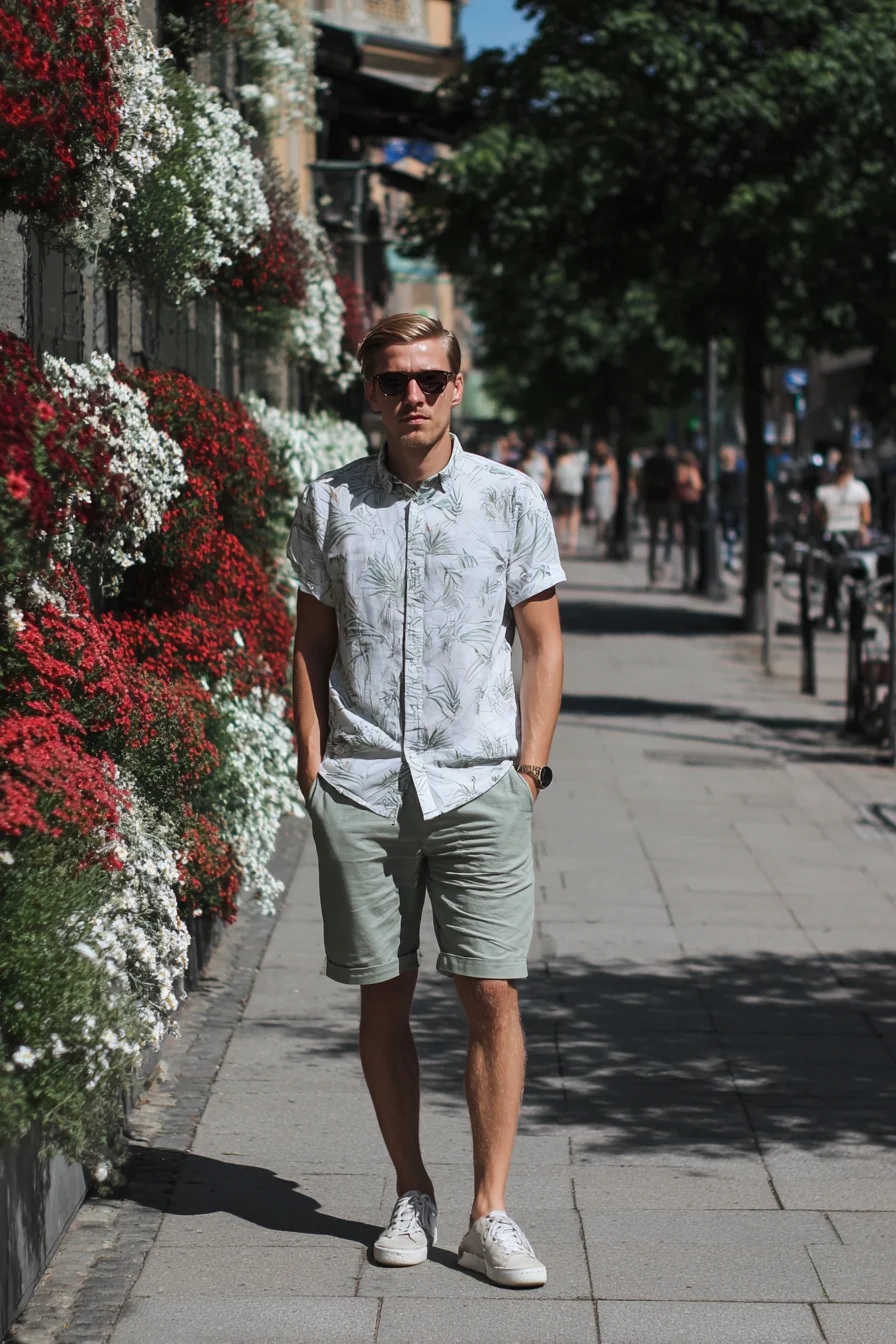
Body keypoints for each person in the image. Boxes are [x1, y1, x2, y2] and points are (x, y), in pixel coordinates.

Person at [287, 313, 565, 1290]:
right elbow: (309, 643)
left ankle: (491, 1212)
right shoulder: (327, 505)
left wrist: (527, 769)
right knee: (383, 991)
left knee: (490, 989)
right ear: (366, 391)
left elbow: (539, 641)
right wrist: (311, 764)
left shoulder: (509, 499)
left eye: (425, 379)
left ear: (456, 386)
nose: (408, 395)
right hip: (363, 782)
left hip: (480, 776)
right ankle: (411, 1188)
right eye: (388, 380)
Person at [816, 452, 872, 630]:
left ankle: (832, 615)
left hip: (832, 535)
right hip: (851, 535)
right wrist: (862, 529)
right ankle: (846, 614)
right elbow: (866, 515)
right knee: (849, 578)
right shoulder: (859, 489)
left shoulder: (825, 491)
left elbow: (820, 515)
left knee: (832, 578)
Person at [640, 439, 678, 584]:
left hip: (653, 501)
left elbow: (644, 481)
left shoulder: (650, 462)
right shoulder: (670, 463)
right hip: (666, 501)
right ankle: (665, 562)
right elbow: (674, 483)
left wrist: (642, 500)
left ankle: (652, 571)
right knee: (668, 535)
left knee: (653, 537)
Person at [552, 434, 587, 554]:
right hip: (574, 489)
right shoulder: (579, 458)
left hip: (564, 490)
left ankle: (562, 540)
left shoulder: (561, 460)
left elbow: (556, 477)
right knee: (572, 516)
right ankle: (571, 541)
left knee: (563, 515)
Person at [676, 449, 703, 591]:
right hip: (687, 509)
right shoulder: (685, 472)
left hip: (691, 510)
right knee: (688, 546)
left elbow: (697, 486)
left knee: (689, 547)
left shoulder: (691, 471)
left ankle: (689, 578)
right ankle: (688, 578)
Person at [588, 438, 618, 554]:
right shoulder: (595, 463)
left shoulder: (611, 461)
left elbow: (615, 479)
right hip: (598, 490)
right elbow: (591, 479)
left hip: (608, 490)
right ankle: (600, 537)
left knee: (607, 517)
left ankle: (605, 538)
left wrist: (614, 495)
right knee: (599, 515)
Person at [717, 445, 745, 572]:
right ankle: (730, 559)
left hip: (729, 506)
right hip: (734, 507)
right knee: (732, 534)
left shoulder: (722, 474)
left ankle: (730, 558)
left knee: (729, 534)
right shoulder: (735, 473)